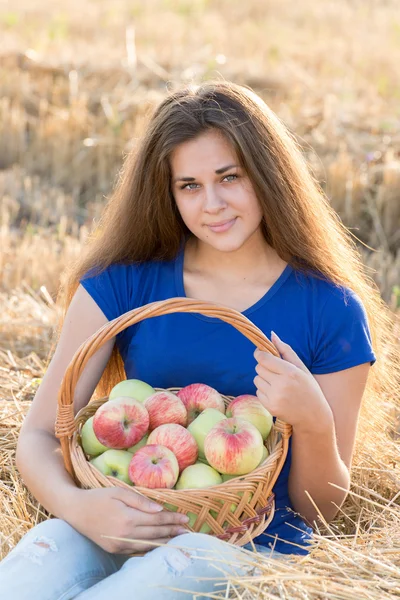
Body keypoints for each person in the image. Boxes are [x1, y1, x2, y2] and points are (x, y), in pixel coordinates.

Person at [2, 78, 397, 600]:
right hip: (123, 518)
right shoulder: (123, 284)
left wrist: (315, 422)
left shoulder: (330, 309)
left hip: (243, 544)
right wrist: (78, 508)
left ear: (267, 176)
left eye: (229, 177)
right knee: (36, 562)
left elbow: (316, 509)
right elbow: (37, 438)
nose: (211, 203)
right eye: (189, 185)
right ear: (167, 194)